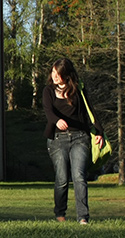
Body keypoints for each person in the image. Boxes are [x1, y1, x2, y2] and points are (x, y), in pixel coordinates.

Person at [42, 58, 104, 225]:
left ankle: (83, 217)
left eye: (58, 73)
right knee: (62, 178)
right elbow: (48, 111)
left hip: (80, 138)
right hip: (57, 139)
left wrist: (99, 132)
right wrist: (57, 121)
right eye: (53, 72)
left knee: (79, 176)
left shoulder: (79, 89)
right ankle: (60, 213)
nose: (54, 76)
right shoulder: (48, 91)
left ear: (67, 74)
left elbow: (90, 111)